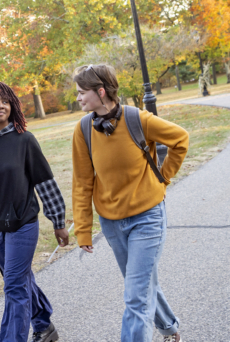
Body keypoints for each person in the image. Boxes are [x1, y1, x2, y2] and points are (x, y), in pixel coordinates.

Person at [72, 64, 189, 342]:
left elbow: (181, 139)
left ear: (101, 92)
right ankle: (170, 328)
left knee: (136, 296)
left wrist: (163, 178)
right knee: (141, 284)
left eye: (81, 92)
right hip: (111, 223)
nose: (77, 98)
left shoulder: (139, 119)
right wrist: (83, 229)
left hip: (147, 217)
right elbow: (82, 182)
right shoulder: (84, 129)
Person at [0, 81, 69, 342]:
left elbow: (45, 183)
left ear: (12, 106)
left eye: (4, 101)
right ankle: (44, 325)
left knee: (13, 284)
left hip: (23, 223)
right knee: (20, 279)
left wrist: (58, 221)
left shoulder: (24, 140)